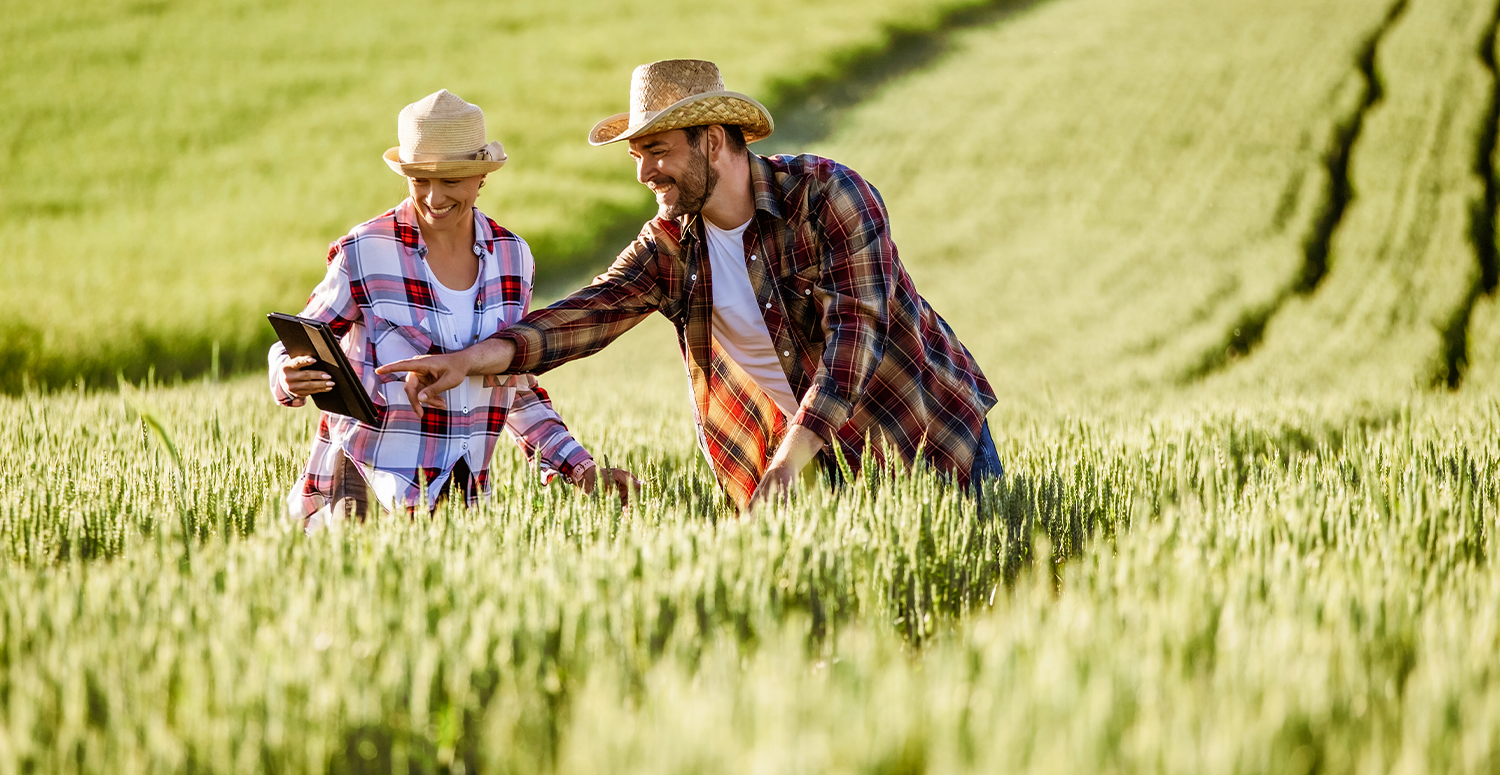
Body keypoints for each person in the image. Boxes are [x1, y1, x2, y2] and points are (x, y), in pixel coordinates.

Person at [379, 60, 1000, 513]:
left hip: (921, 438)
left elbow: (854, 345)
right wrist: (466, 360)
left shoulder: (827, 197)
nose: (645, 171)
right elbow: (582, 317)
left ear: (710, 140)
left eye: (658, 150)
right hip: (806, 465)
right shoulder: (671, 244)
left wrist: (787, 465)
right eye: (637, 155)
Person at [270, 89, 635, 529]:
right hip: (363, 494)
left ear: (481, 177)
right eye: (419, 178)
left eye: (450, 180)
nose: (433, 197)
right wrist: (289, 374)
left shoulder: (512, 258)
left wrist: (581, 469)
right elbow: (298, 339)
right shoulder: (364, 251)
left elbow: (515, 382)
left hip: (461, 500)